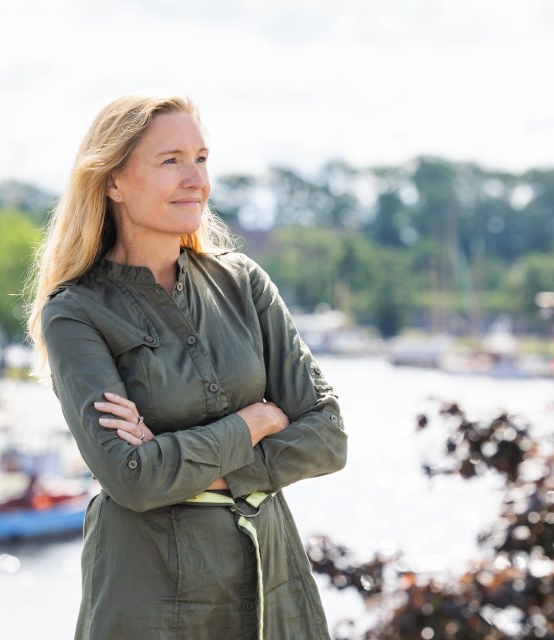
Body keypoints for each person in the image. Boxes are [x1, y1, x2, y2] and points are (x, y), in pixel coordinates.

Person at [26, 93, 348, 639]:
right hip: (147, 591)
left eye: (201, 158)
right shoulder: (75, 312)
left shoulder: (243, 283)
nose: (195, 179)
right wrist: (255, 422)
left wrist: (179, 460)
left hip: (268, 576)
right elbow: (134, 478)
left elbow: (328, 437)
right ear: (113, 182)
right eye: (170, 160)